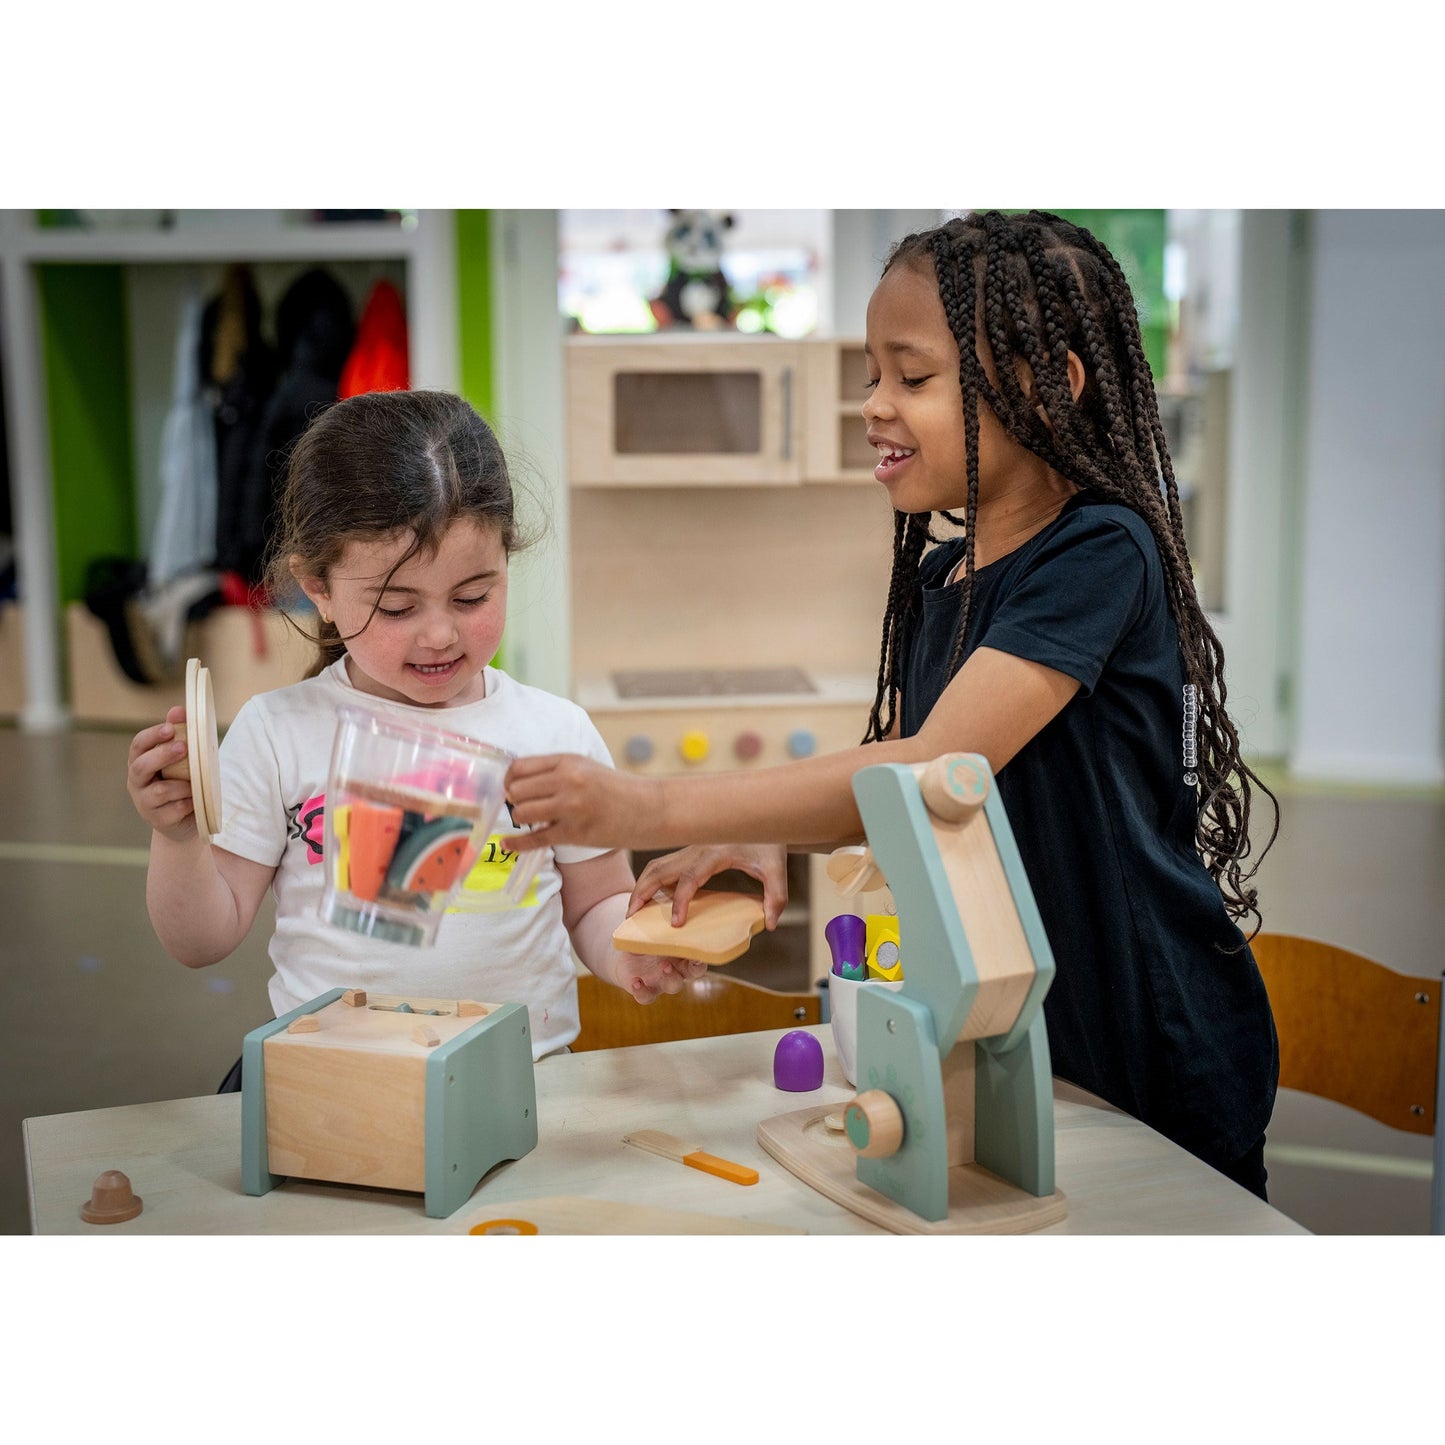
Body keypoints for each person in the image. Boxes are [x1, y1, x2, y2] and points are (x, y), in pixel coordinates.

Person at [505, 211, 1281, 1198]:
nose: (871, 405)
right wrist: (774, 838)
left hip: (1146, 1036)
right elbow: (922, 791)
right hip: (1024, 1045)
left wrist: (653, 810)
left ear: (1049, 387)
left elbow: (930, 767)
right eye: (870, 375)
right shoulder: (947, 580)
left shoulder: (1098, 552)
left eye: (909, 378)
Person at [127, 389, 702, 1078]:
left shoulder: (554, 731)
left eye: (472, 597)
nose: (439, 634)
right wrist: (178, 835)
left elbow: (596, 900)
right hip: (331, 1082)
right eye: (396, 606)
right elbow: (202, 938)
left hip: (518, 1080)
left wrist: (626, 948)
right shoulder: (279, 732)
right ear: (317, 586)